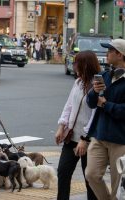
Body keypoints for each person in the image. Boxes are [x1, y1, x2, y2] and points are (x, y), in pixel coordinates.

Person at [55, 51, 100, 200]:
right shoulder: (78, 82)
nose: (74, 66)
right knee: (63, 172)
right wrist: (61, 126)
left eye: (77, 63)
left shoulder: (97, 86)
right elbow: (69, 106)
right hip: (71, 137)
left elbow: (96, 115)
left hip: (89, 140)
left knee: (90, 179)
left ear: (85, 65)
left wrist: (84, 138)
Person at [85, 39, 125, 200]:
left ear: (120, 54)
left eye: (110, 50)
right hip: (100, 135)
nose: (106, 53)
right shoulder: (104, 75)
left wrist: (107, 105)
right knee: (91, 174)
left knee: (118, 182)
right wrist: (94, 92)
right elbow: (90, 103)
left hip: (121, 139)